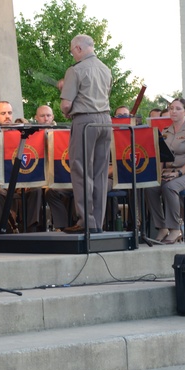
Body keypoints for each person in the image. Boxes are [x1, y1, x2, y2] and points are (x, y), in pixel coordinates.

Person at [60, 34, 113, 234]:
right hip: (106, 121)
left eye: (72, 51)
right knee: (100, 172)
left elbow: (66, 105)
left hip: (85, 121)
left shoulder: (76, 70)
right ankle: (97, 222)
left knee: (81, 171)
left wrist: (65, 108)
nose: (72, 55)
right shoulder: (106, 69)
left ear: (79, 49)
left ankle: (85, 221)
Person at [144, 97, 185, 244]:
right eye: (171, 108)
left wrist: (178, 173)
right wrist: (158, 175)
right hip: (171, 172)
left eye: (178, 109)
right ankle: (162, 227)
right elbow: (163, 158)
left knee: (170, 187)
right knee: (150, 187)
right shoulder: (165, 131)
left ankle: (176, 229)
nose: (173, 111)